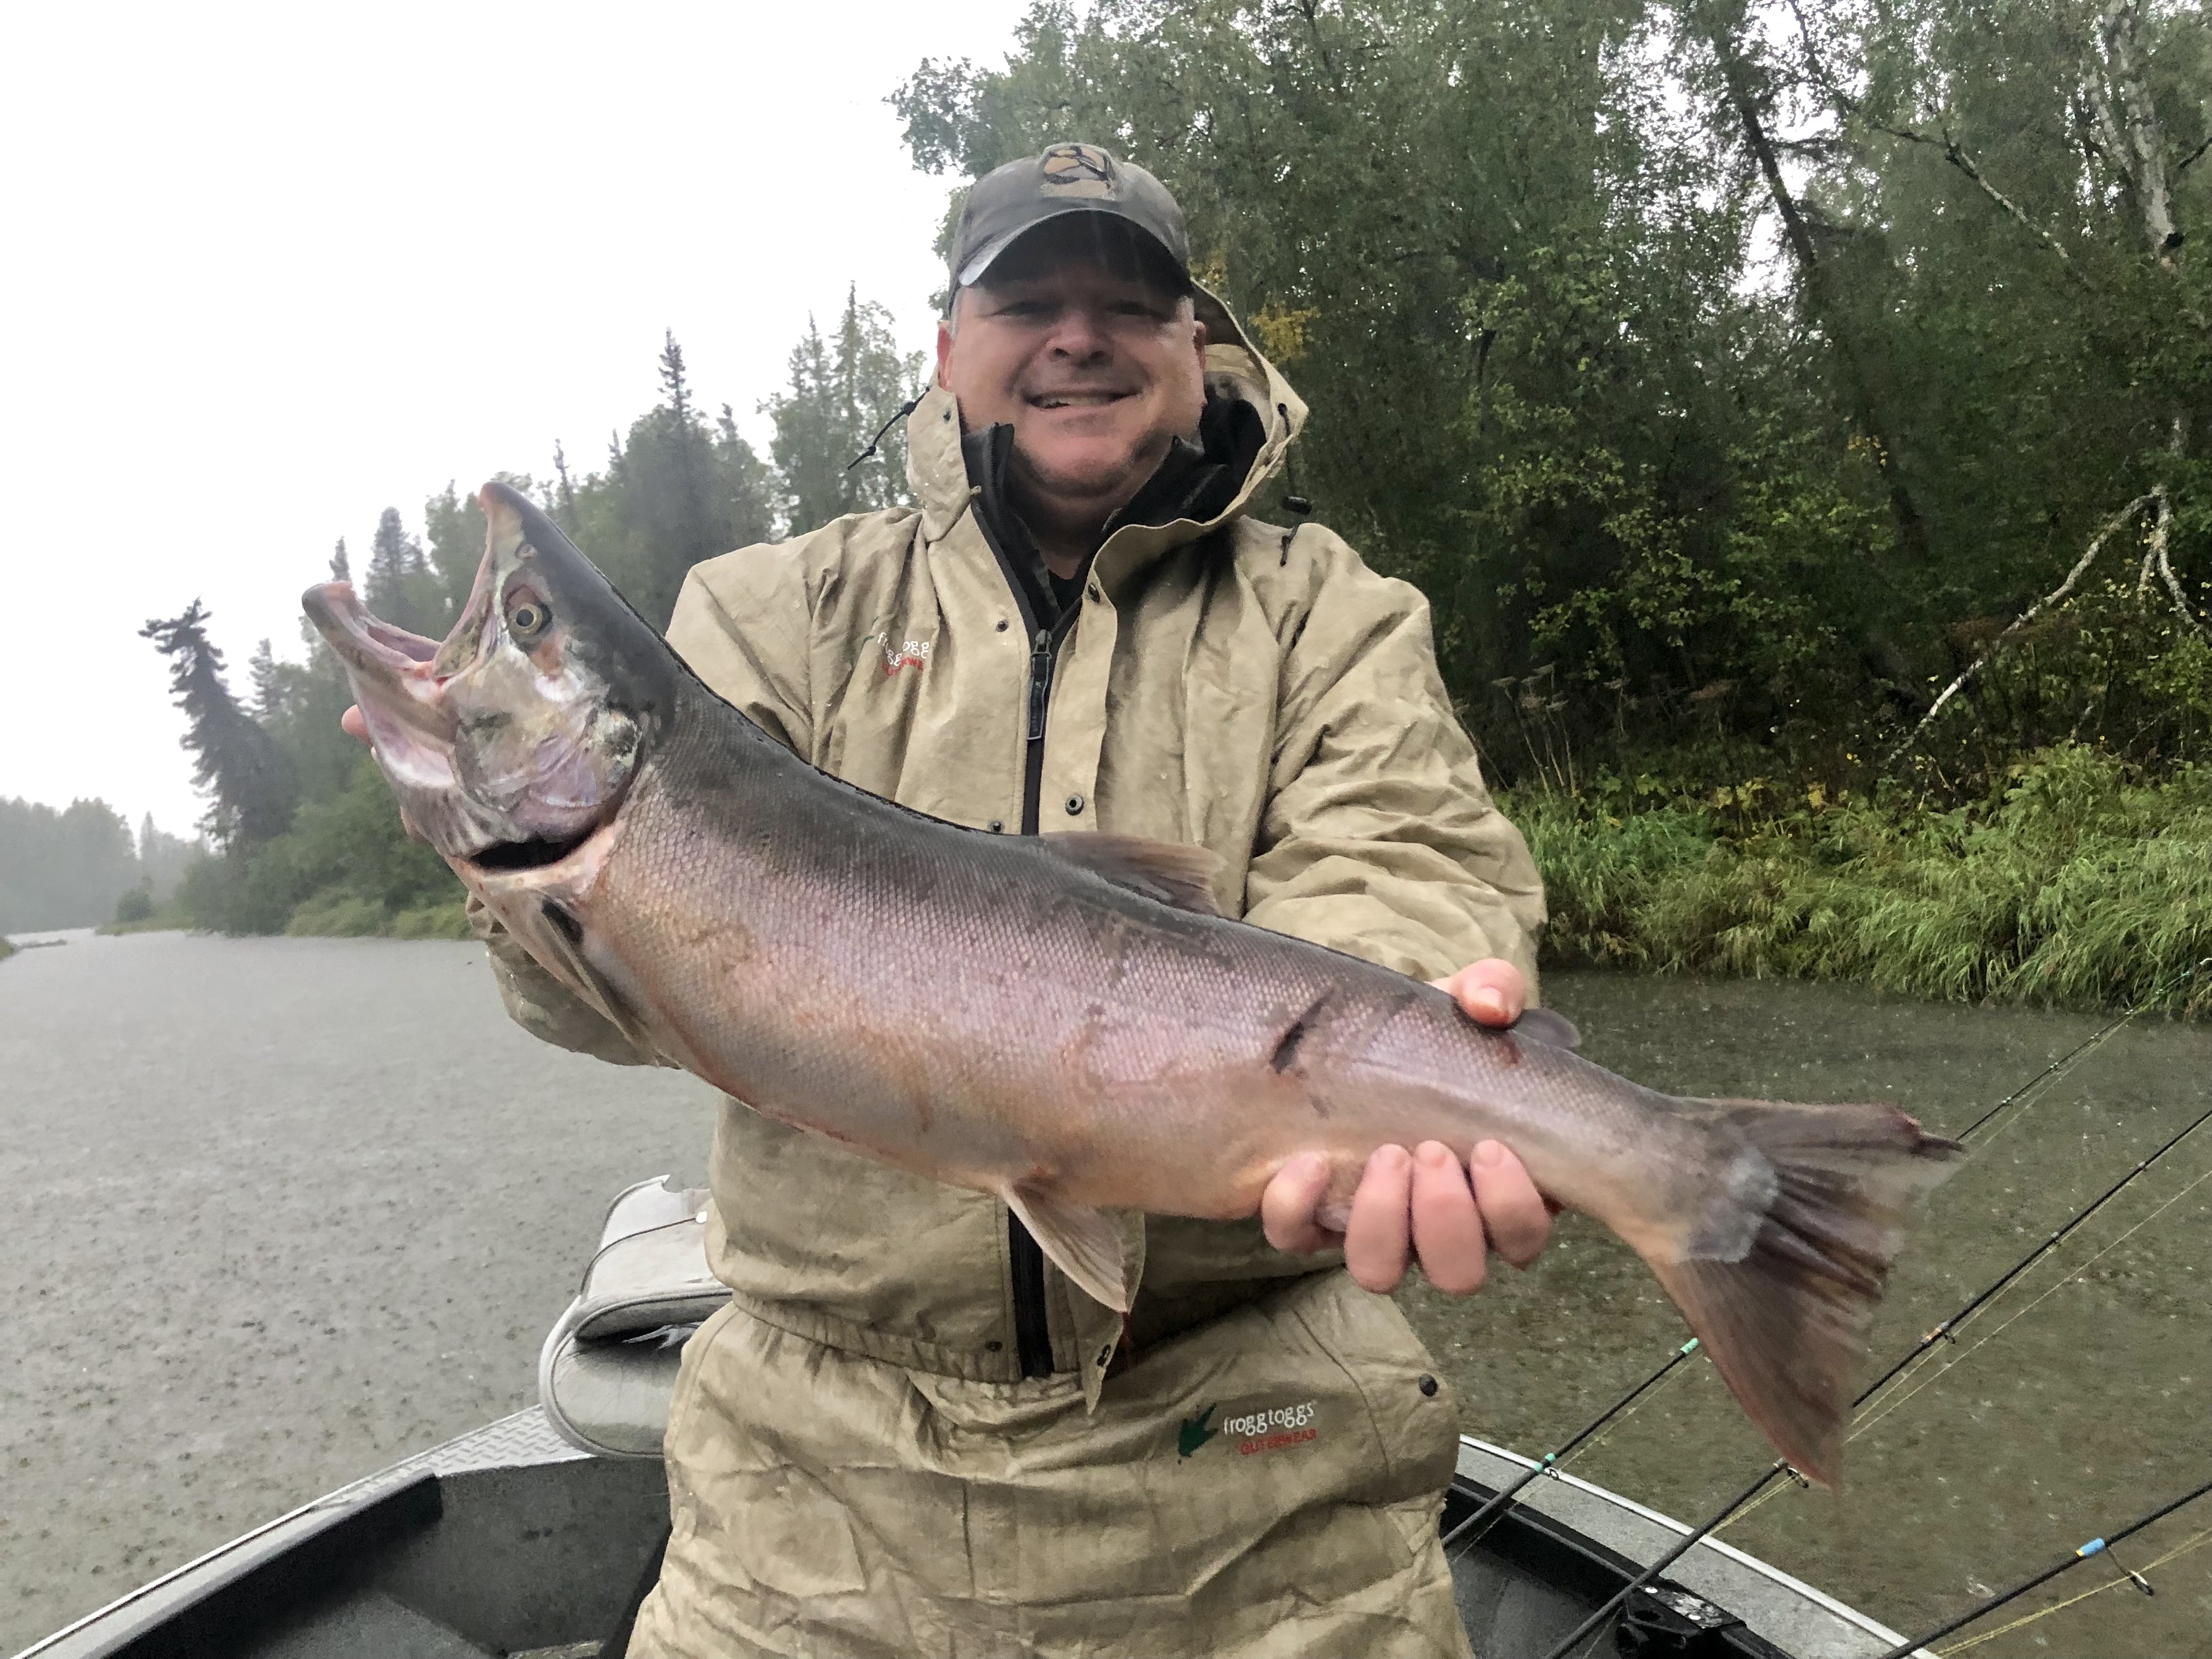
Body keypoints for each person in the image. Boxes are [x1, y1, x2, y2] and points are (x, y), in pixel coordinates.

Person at [382, 143, 1553, 1656]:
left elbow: (1406, 864)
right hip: (808, 1496)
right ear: (947, 352)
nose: (1078, 337)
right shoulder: (771, 611)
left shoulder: (1328, 612)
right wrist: (495, 847)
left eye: (1127, 304)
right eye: (1028, 301)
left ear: (1195, 349)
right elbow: (606, 1008)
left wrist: (1379, 1082)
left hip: (1262, 1471)